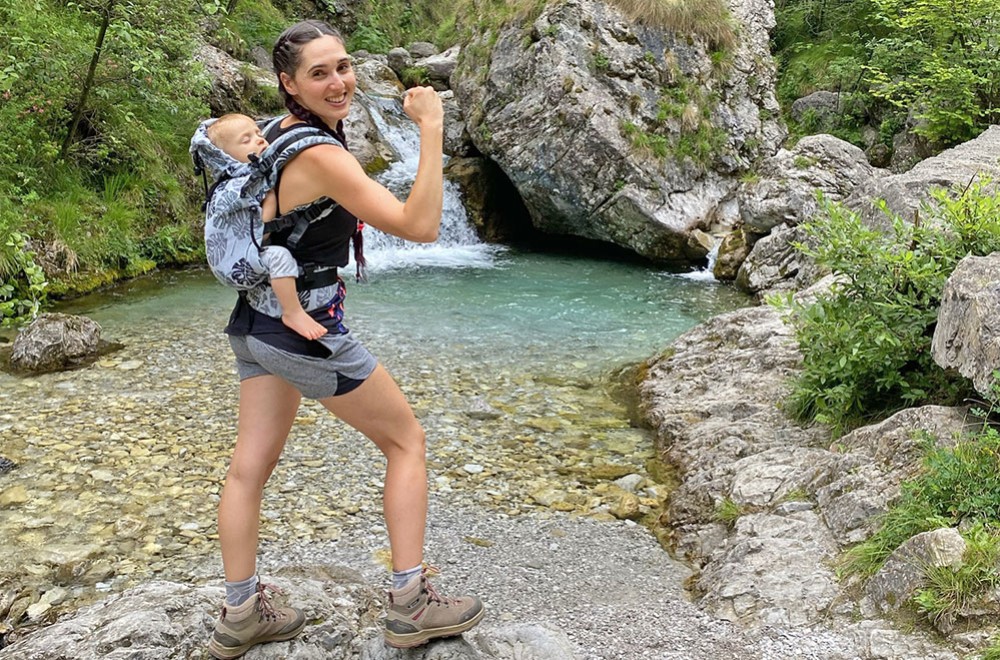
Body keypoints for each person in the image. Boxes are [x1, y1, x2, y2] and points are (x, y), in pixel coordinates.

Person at [206, 19, 485, 660]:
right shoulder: (320, 154)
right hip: (303, 331)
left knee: (249, 468)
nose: (338, 82)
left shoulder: (270, 137)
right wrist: (432, 128)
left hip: (253, 326)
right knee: (405, 441)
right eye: (319, 73)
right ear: (289, 83)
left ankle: (241, 612)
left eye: (343, 66)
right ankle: (411, 605)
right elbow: (419, 226)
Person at [205, 113, 328, 341]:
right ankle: (293, 313)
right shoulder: (240, 186)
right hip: (238, 260)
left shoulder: (233, 181)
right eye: (246, 140)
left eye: (259, 134)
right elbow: (263, 231)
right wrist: (270, 198)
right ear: (224, 157)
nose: (260, 140)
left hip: (232, 262)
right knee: (280, 257)